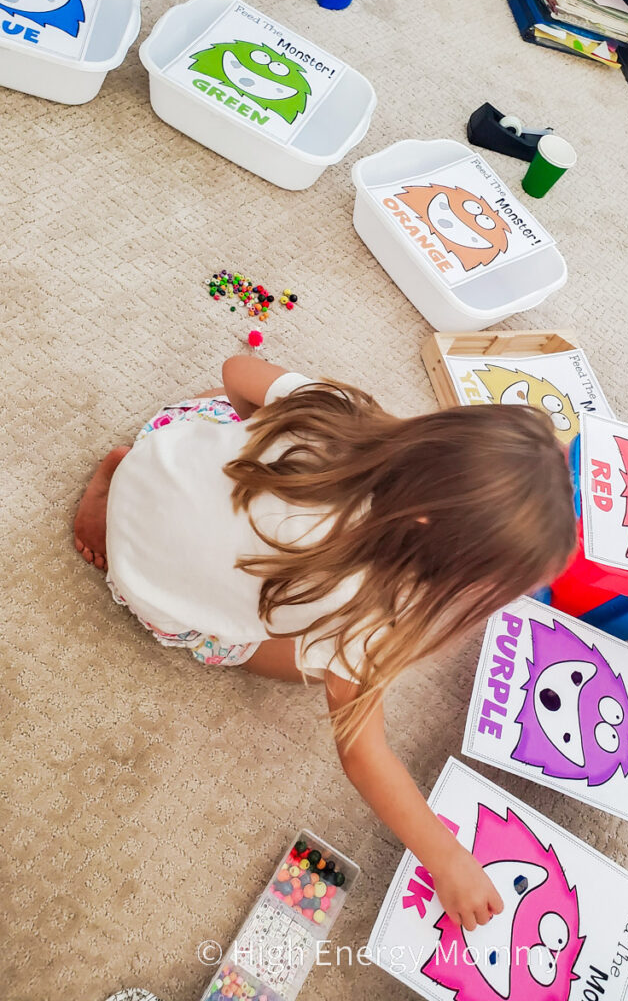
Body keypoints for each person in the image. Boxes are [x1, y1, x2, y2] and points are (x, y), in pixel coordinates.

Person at [74, 354, 576, 930]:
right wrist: (447, 859)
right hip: (147, 584)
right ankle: (108, 538)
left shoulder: (338, 412)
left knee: (221, 427)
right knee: (304, 667)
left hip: (157, 458)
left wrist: (252, 436)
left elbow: (238, 371)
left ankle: (117, 488)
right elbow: (363, 753)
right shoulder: (365, 609)